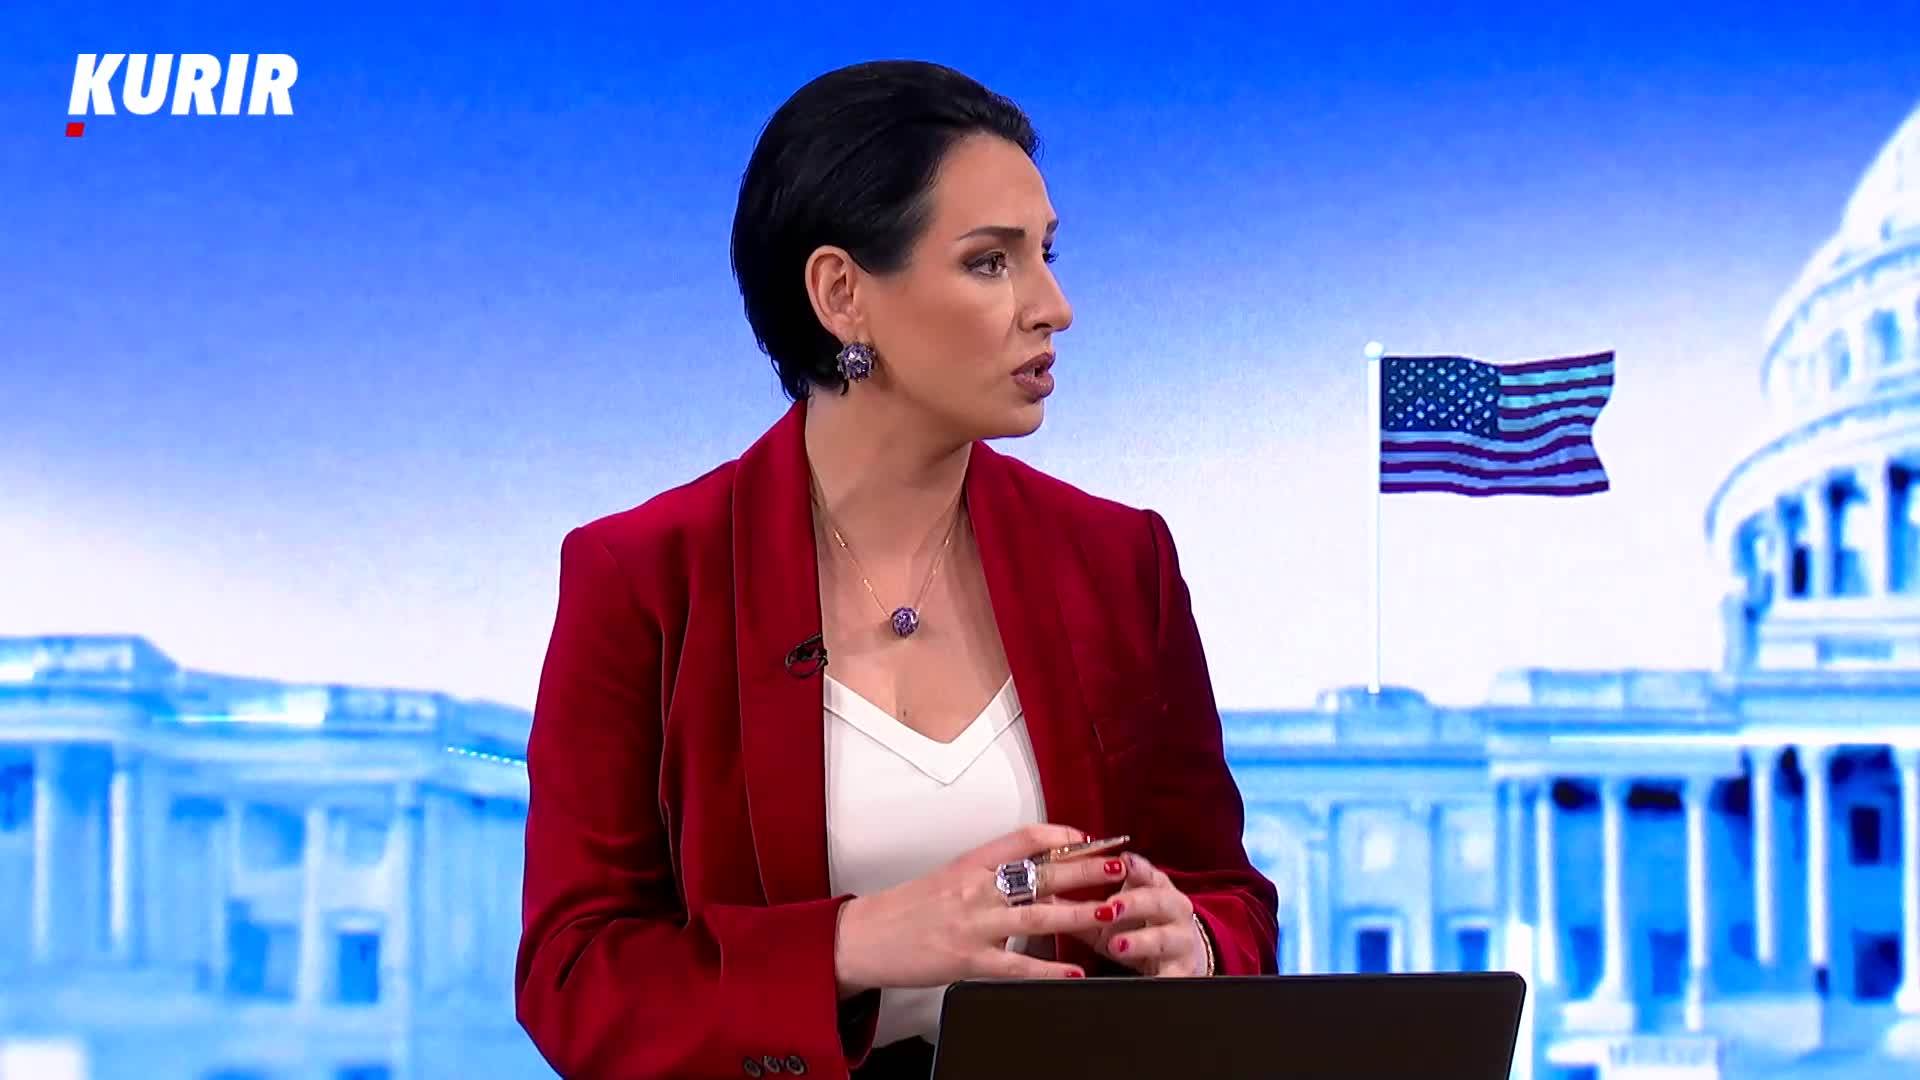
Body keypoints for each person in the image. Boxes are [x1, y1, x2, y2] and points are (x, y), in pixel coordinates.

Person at [514, 59, 1279, 1080]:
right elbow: (574, 979)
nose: (1054, 307)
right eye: (990, 262)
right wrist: (854, 943)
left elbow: (1228, 895)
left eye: (1046, 254)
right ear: (842, 294)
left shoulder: (1120, 560)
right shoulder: (644, 577)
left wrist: (1198, 945)